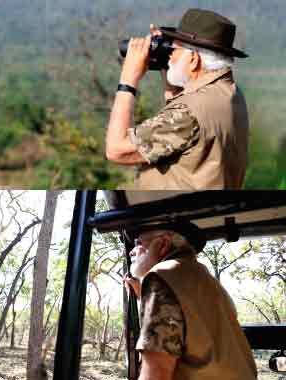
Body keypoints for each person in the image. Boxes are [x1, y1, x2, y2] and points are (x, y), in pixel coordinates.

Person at [105, 9, 249, 190]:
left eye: (174, 50)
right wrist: (166, 63)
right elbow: (182, 130)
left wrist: (127, 80)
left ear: (194, 60)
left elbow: (116, 150)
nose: (171, 56)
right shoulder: (230, 93)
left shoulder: (188, 114)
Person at [123, 223, 257, 380]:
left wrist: (154, 290)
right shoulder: (205, 278)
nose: (132, 251)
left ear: (163, 244)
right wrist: (144, 298)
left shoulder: (162, 276)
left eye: (139, 243)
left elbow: (156, 373)